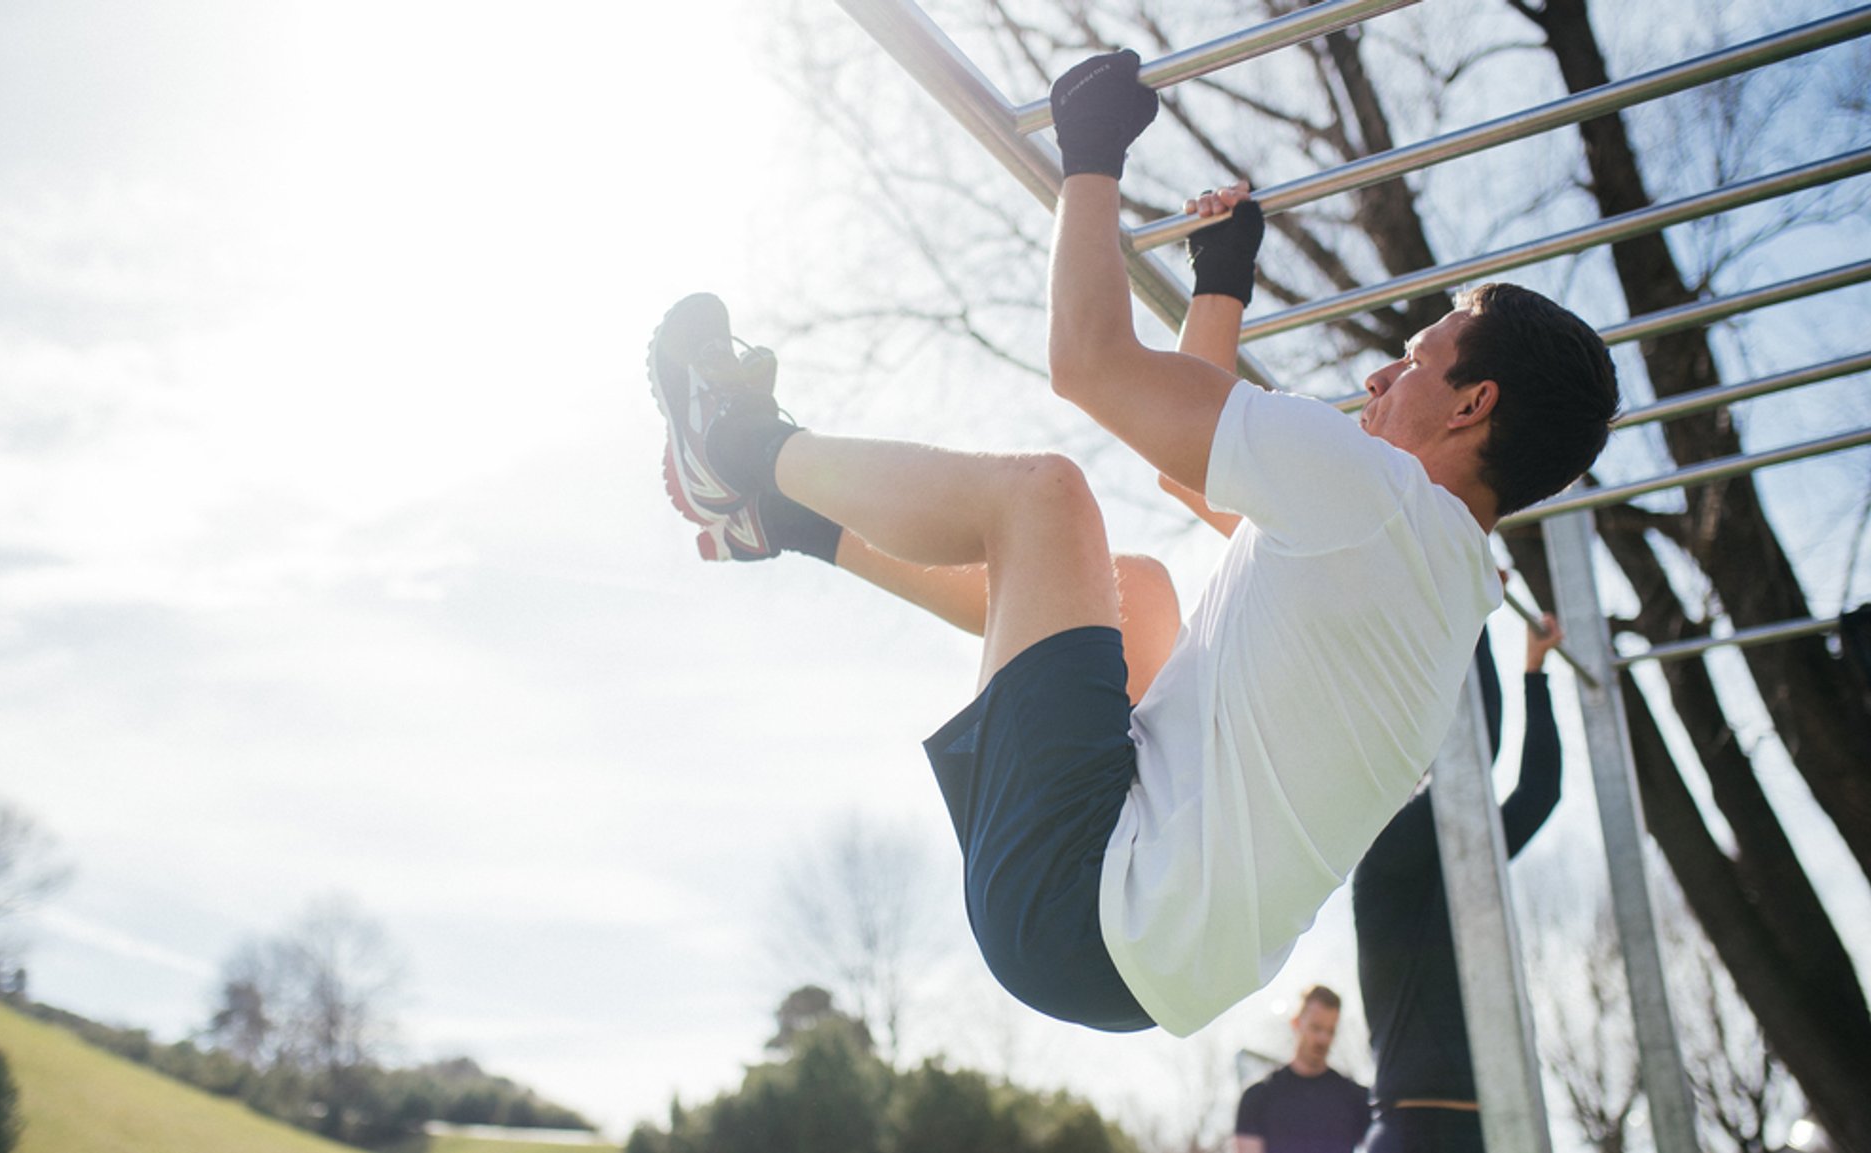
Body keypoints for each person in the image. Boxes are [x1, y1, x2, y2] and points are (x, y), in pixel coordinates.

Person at [646, 49, 1618, 1036]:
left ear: (1471, 404)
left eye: (1412, 361)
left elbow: (1090, 362)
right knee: (1135, 592)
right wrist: (1220, 280)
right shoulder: (1442, 593)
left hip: (1080, 897)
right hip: (1130, 962)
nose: (1376, 379)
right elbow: (1187, 470)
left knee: (1043, 498)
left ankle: (734, 447)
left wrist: (1090, 150)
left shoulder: (1372, 495)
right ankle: (786, 523)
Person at [1351, 617, 1567, 1153]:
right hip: (1413, 1129)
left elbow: (1540, 791)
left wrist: (1534, 672)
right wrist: (1473, 619)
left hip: (1495, 1120)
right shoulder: (1380, 864)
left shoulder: (1467, 867)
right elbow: (1478, 748)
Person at [1235, 985, 1372, 1153]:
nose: (1323, 1039)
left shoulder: (1356, 1098)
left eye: (1330, 1031)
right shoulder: (1258, 1097)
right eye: (1316, 1028)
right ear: (1296, 1023)